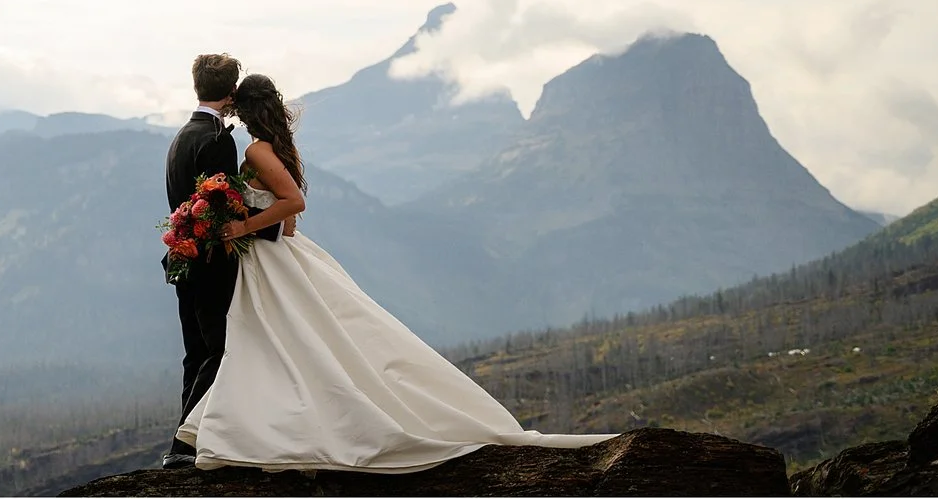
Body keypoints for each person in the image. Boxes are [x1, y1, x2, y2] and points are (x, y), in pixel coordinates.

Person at [176, 74, 614, 472]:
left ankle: (271, 432)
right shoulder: (272, 147)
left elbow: (293, 204)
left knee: (279, 343)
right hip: (272, 254)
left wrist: (240, 226)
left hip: (267, 259)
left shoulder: (255, 150)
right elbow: (287, 220)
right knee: (283, 344)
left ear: (245, 110)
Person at [160, 53, 274, 468]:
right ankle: (184, 445)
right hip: (210, 261)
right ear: (230, 93)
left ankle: (188, 441)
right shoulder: (217, 141)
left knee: (196, 351)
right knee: (219, 349)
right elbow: (222, 208)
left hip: (181, 258)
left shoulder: (180, 138)